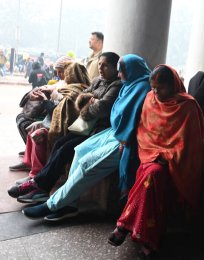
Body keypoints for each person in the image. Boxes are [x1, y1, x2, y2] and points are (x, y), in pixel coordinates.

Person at [22, 54, 151, 221]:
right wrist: (93, 102)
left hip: (126, 139)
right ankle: (69, 204)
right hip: (114, 130)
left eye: (121, 71)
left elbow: (110, 110)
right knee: (79, 150)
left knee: (87, 163)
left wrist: (94, 102)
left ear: (132, 70)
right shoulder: (129, 85)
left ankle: (51, 205)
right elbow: (114, 113)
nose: (119, 75)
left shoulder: (142, 88)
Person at [107, 65, 204, 258]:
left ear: (173, 85)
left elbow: (191, 143)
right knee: (152, 175)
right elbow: (145, 132)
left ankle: (124, 226)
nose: (157, 92)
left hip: (177, 162)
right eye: (153, 88)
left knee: (153, 175)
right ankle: (146, 237)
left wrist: (168, 156)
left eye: (161, 88)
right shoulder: (150, 99)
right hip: (150, 154)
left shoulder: (187, 105)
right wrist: (155, 154)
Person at [8, 52, 123, 203]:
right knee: (59, 143)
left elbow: (101, 108)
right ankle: (40, 183)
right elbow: (83, 98)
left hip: (98, 131)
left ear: (116, 68)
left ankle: (39, 185)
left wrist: (89, 102)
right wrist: (90, 101)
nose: (101, 68)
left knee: (66, 149)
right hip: (86, 128)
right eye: (100, 64)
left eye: (105, 65)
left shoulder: (116, 85)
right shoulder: (97, 81)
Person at [9, 62, 89, 184]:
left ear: (71, 74)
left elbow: (60, 112)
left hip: (66, 127)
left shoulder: (73, 91)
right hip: (56, 122)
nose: (60, 75)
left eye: (64, 72)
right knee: (33, 129)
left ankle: (36, 174)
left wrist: (46, 99)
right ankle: (30, 165)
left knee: (38, 134)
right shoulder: (67, 87)